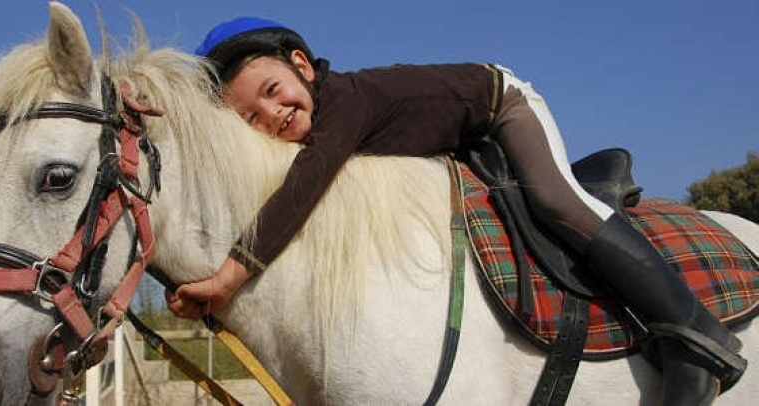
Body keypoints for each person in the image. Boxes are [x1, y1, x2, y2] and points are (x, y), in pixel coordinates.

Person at [167, 17, 745, 404]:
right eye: (250, 119)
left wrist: (230, 275)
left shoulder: (344, 102)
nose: (273, 116)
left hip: (501, 105)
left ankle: (693, 336)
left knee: (555, 200)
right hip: (456, 141)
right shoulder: (327, 115)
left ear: (302, 64)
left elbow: (305, 183)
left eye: (272, 90)